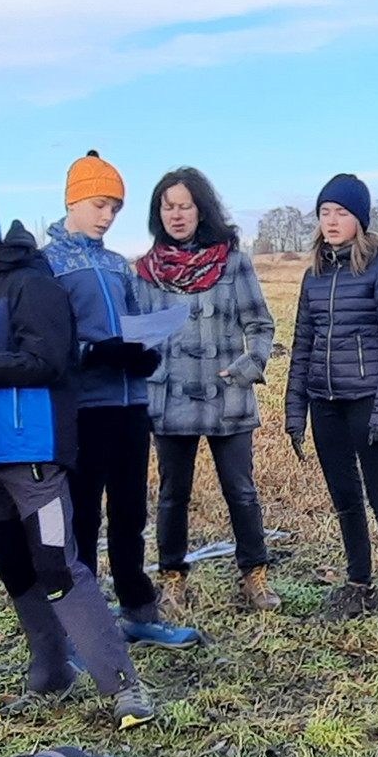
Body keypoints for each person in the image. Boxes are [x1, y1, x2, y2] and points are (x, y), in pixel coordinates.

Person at [0, 190, 157, 725]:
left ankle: (124, 688)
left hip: (33, 452)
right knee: (16, 568)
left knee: (58, 566)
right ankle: (50, 672)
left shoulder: (33, 285)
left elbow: (46, 362)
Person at [42, 151, 196, 647]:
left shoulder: (116, 264)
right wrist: (92, 352)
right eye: (100, 205)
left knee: (130, 515)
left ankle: (138, 612)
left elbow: (134, 324)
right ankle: (84, 625)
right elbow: (46, 342)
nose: (107, 216)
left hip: (131, 405)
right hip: (84, 409)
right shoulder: (48, 265)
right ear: (73, 201)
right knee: (83, 518)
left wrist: (144, 353)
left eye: (115, 208)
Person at [133, 166, 279, 614]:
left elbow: (260, 325)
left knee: (241, 491)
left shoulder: (232, 262)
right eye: (168, 207)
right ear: (158, 213)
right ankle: (172, 579)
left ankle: (254, 575)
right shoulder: (146, 271)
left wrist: (246, 368)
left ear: (201, 210)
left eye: (185, 206)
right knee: (172, 495)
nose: (177, 215)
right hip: (169, 399)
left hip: (227, 396)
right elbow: (135, 336)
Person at [282, 174, 378, 622]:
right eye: (325, 212)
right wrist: (295, 411)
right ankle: (358, 584)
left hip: (367, 400)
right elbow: (302, 345)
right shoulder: (313, 277)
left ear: (360, 219)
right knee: (345, 497)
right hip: (325, 403)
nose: (332, 221)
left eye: (341, 212)